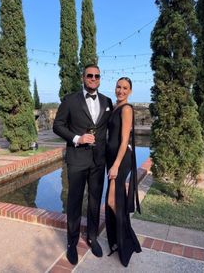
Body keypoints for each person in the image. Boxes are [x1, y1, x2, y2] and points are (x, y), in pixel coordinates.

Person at [53, 64, 113, 265]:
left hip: (98, 161)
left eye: (97, 75)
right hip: (77, 159)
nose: (93, 78)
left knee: (95, 200)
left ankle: (92, 237)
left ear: (100, 78)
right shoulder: (70, 100)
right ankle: (71, 243)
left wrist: (125, 146)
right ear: (83, 77)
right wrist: (77, 138)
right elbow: (57, 125)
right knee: (75, 202)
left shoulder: (107, 101)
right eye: (90, 75)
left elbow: (111, 127)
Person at [105, 77, 142, 267]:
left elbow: (124, 139)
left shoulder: (126, 109)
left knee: (113, 201)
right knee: (113, 199)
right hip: (112, 159)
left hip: (120, 160)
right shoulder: (115, 107)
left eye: (125, 88)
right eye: (118, 87)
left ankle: (125, 243)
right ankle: (120, 240)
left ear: (130, 91)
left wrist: (115, 165)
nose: (121, 90)